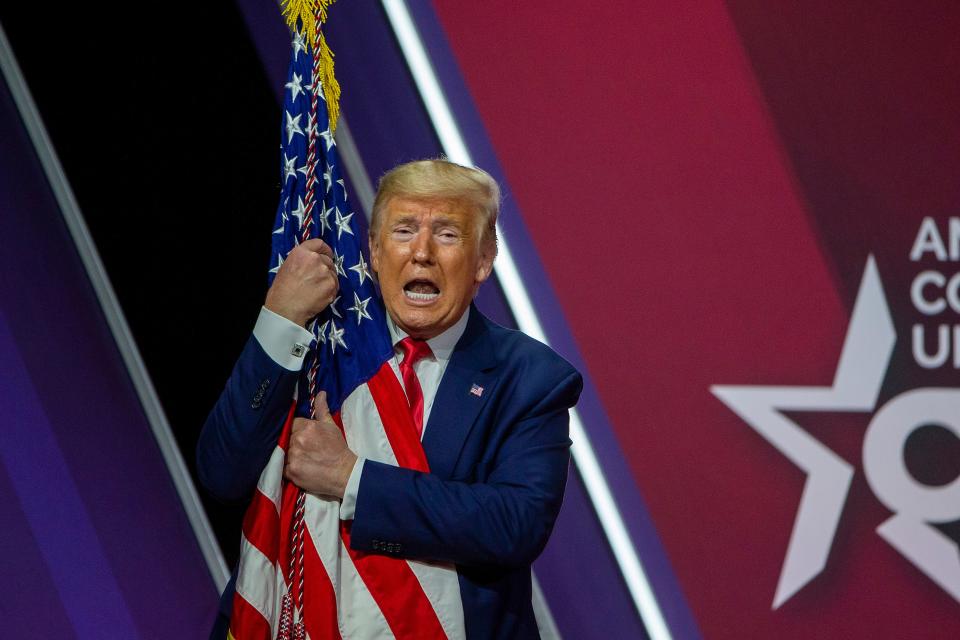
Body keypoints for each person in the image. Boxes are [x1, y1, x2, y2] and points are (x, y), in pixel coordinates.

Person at [197, 159, 583, 638]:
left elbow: (514, 524)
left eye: (447, 234)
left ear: (484, 258)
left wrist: (352, 478)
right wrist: (278, 318)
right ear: (375, 252)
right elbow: (222, 473)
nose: (421, 252)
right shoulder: (316, 350)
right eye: (403, 231)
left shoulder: (531, 378)